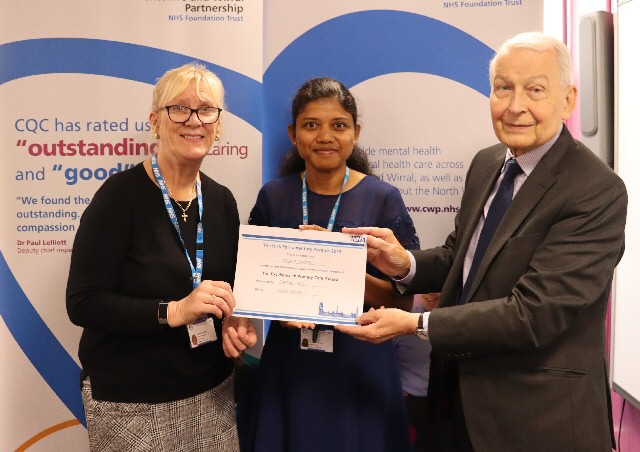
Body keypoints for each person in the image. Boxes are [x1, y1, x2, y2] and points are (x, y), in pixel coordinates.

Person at [337, 32, 627, 452]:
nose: (515, 106)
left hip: (537, 422)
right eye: (502, 88)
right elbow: (464, 258)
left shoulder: (596, 190)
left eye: (535, 90)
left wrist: (416, 324)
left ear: (568, 100)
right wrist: (404, 263)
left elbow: (534, 314)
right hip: (454, 405)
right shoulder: (488, 163)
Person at [66, 63, 256, 452]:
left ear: (218, 125)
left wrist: (236, 317)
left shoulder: (221, 201)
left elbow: (227, 287)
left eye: (206, 110)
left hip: (212, 392)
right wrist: (172, 312)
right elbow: (82, 302)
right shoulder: (119, 197)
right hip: (131, 403)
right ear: (155, 120)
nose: (194, 120)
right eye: (179, 108)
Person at [242, 77, 420, 452]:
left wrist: (341, 266)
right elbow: (254, 285)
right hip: (291, 362)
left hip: (361, 363)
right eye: (311, 125)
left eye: (338, 125)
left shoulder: (383, 198)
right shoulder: (273, 196)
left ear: (355, 133)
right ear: (293, 134)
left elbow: (403, 303)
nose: (325, 136)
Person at [393, 293, 439, 452]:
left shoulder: (462, 320)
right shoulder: (402, 321)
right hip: (410, 404)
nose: (433, 293)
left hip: (444, 406)